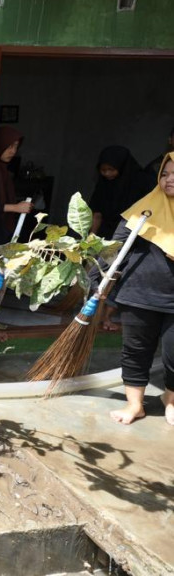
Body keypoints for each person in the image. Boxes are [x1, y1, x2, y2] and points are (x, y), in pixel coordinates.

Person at [105, 152, 174, 426]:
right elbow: (115, 246)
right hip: (140, 292)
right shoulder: (146, 208)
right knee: (135, 350)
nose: (169, 180)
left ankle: (170, 399)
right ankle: (135, 405)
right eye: (165, 174)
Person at [0, 126, 34, 260]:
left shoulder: (3, 171)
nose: (13, 151)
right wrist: (15, 208)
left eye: (16, 147)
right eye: (10, 146)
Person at [89, 146, 156, 240]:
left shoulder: (142, 182)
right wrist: (91, 237)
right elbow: (97, 214)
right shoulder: (103, 184)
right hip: (105, 235)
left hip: (132, 236)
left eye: (111, 169)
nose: (107, 174)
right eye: (103, 170)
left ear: (122, 167)